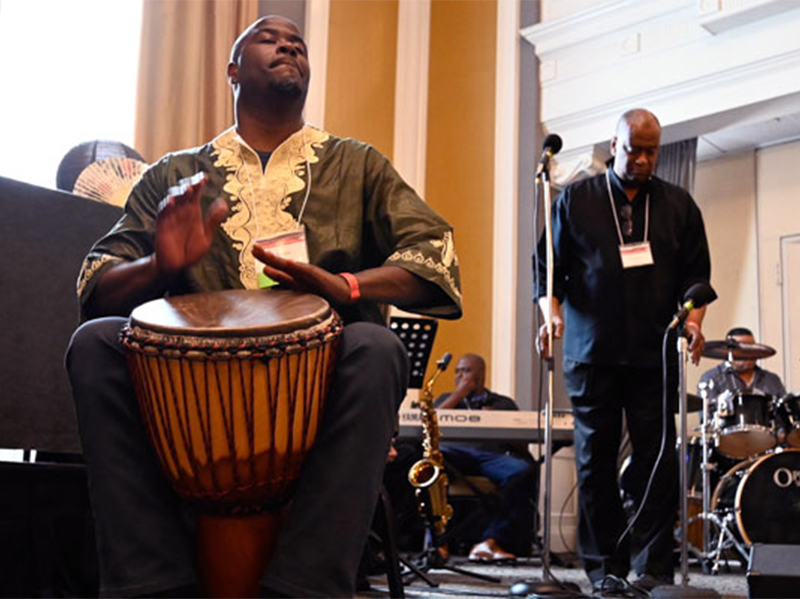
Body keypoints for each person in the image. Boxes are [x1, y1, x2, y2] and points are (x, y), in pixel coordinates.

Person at [65, 15, 461, 599]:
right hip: (193, 393)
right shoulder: (176, 174)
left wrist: (346, 286)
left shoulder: (357, 164)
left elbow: (437, 254)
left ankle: (304, 587)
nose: (289, 45)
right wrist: (160, 266)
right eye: (268, 38)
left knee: (377, 346)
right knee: (95, 341)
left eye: (297, 42)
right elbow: (96, 281)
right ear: (232, 70)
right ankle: (149, 582)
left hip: (320, 386)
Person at [535, 109, 712, 594]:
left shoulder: (678, 204)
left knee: (658, 459)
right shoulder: (575, 199)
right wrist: (550, 312)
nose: (642, 158)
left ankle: (651, 566)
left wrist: (694, 321)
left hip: (654, 353)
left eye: (651, 150)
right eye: (633, 148)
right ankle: (604, 569)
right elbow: (548, 269)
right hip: (591, 351)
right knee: (595, 460)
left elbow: (696, 275)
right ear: (614, 145)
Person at [434, 354, 538, 563]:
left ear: (481, 375)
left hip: (491, 457)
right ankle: (437, 543)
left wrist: (497, 421)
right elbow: (431, 424)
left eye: (466, 370)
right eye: (457, 371)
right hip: (453, 454)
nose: (460, 375)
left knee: (523, 471)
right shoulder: (445, 400)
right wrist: (459, 394)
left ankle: (490, 541)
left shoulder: (503, 403)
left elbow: (522, 445)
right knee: (430, 465)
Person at [698, 327, 785, 398]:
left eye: (751, 348)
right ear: (727, 351)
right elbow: (706, 415)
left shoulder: (772, 379)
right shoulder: (711, 378)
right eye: (741, 349)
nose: (747, 352)